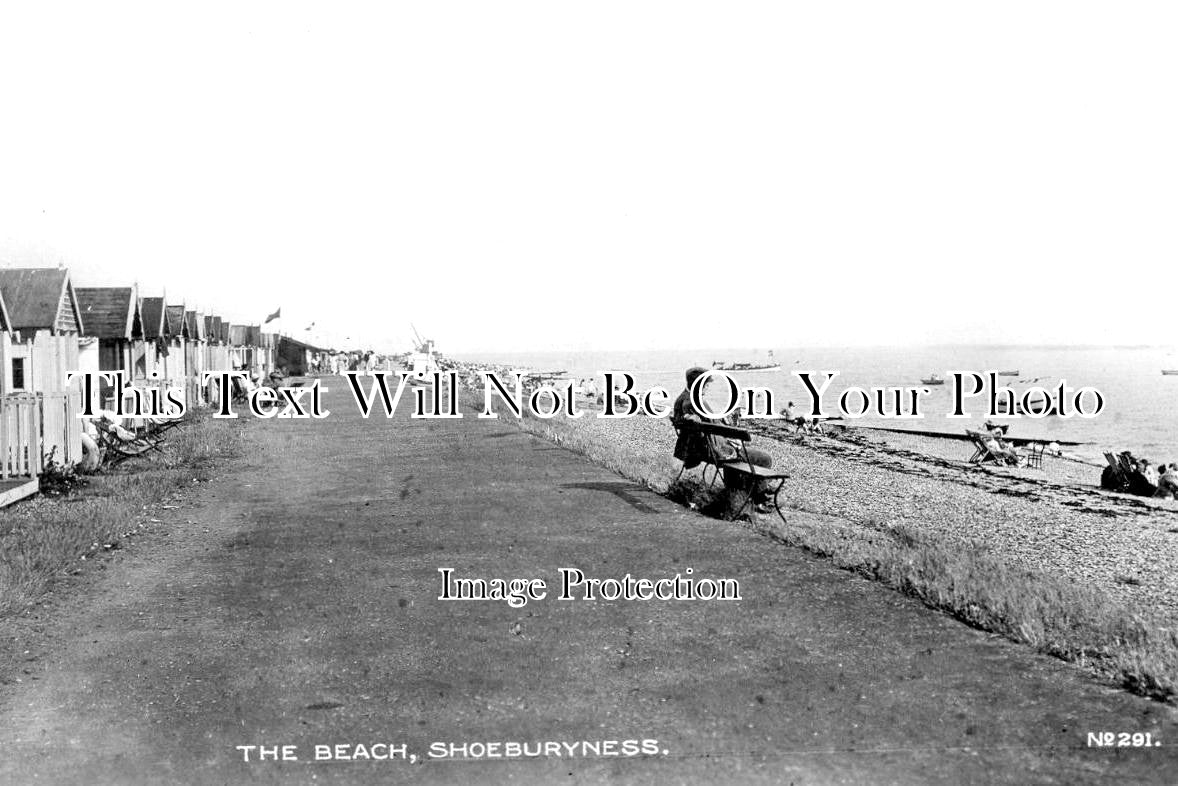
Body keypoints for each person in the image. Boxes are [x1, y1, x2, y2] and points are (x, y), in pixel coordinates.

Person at [672, 367, 775, 513]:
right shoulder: (695, 402)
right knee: (765, 459)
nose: (707, 388)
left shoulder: (682, 399)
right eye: (706, 385)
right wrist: (734, 443)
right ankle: (758, 500)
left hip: (695, 450)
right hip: (714, 451)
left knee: (737, 459)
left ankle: (735, 495)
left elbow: (709, 424)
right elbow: (715, 428)